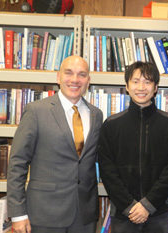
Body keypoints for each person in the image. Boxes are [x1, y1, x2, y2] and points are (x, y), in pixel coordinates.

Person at [7, 55, 103, 233]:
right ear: (58, 77)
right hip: (45, 214)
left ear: (88, 81)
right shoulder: (36, 111)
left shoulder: (96, 115)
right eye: (69, 73)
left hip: (84, 216)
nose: (75, 79)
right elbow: (17, 164)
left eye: (82, 74)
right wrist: (18, 214)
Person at [98, 61, 168, 233]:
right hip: (124, 214)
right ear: (127, 86)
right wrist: (129, 206)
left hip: (158, 213)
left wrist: (147, 205)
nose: (141, 87)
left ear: (156, 87)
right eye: (135, 81)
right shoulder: (112, 125)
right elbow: (108, 171)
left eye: (147, 82)